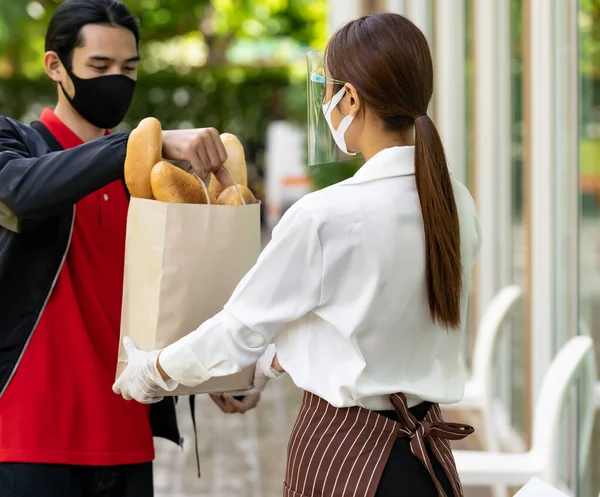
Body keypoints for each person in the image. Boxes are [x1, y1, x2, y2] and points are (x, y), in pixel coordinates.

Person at [114, 12, 482, 497]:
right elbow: (363, 324)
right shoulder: (455, 201)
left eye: (328, 89)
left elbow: (236, 331)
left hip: (346, 456)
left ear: (350, 98)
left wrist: (151, 371)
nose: (325, 102)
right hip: (427, 463)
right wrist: (268, 366)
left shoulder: (326, 215)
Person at [0, 1, 259, 496]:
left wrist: (216, 369)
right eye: (99, 67)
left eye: (129, 68)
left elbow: (177, 292)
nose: (116, 80)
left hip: (128, 435)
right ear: (56, 66)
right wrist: (138, 144)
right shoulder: (15, 145)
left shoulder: (150, 178)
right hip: (28, 440)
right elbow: (21, 193)